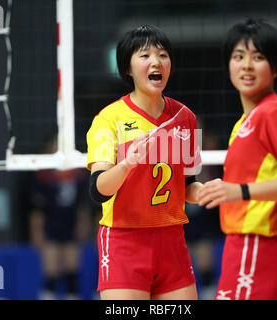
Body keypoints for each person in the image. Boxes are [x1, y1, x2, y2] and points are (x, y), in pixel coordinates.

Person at [197, 18, 277, 300]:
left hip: (259, 246)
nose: (246, 65)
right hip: (249, 247)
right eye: (238, 57)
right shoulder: (245, 121)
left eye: (258, 57)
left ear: (276, 67)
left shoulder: (272, 112)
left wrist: (239, 192)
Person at [86, 25, 203, 300]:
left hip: (172, 240)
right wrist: (127, 164)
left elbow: (188, 186)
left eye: (163, 55)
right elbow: (97, 189)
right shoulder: (108, 119)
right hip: (125, 241)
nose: (156, 62)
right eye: (145, 55)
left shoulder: (186, 118)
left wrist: (211, 191)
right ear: (127, 68)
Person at [29, 135, 90, 300]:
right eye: (56, 144)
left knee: (72, 269)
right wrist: (37, 231)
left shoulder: (79, 173)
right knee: (51, 270)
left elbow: (82, 205)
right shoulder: (43, 174)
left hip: (70, 225)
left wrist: (83, 224)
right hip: (51, 226)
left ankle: (72, 294)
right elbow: (37, 209)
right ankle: (48, 294)